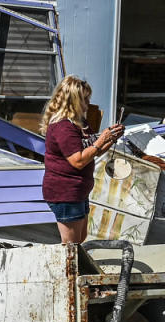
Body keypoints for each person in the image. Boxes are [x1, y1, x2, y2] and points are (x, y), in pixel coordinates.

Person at [40, 76, 124, 243]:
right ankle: (69, 270)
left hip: (78, 191)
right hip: (65, 192)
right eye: (85, 98)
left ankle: (76, 269)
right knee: (71, 246)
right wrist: (102, 139)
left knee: (81, 239)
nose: (88, 101)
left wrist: (111, 138)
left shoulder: (79, 122)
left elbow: (93, 152)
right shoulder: (62, 127)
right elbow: (78, 161)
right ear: (74, 100)